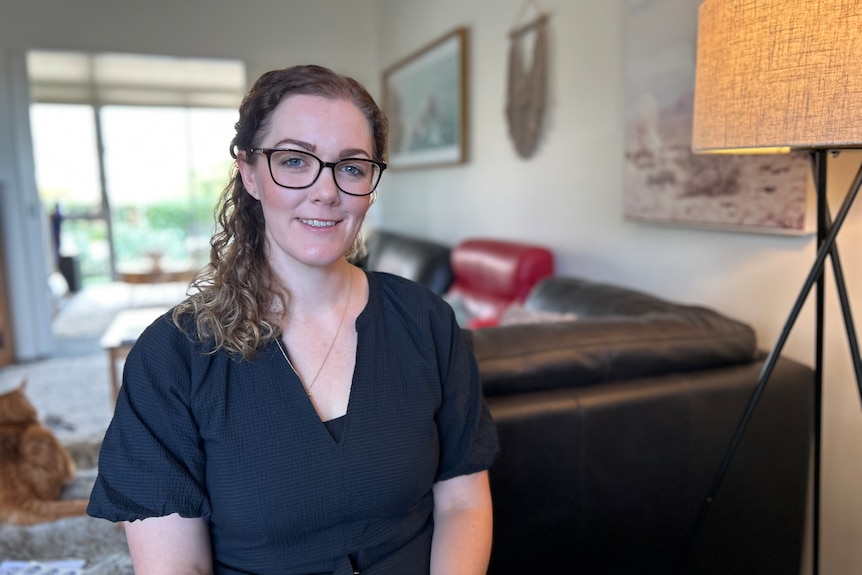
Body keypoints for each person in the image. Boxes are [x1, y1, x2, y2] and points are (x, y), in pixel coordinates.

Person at [87, 64, 499, 575]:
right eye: (295, 161)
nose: (327, 191)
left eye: (351, 167)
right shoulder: (172, 358)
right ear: (249, 172)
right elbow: (176, 567)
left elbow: (463, 503)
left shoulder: (427, 322)